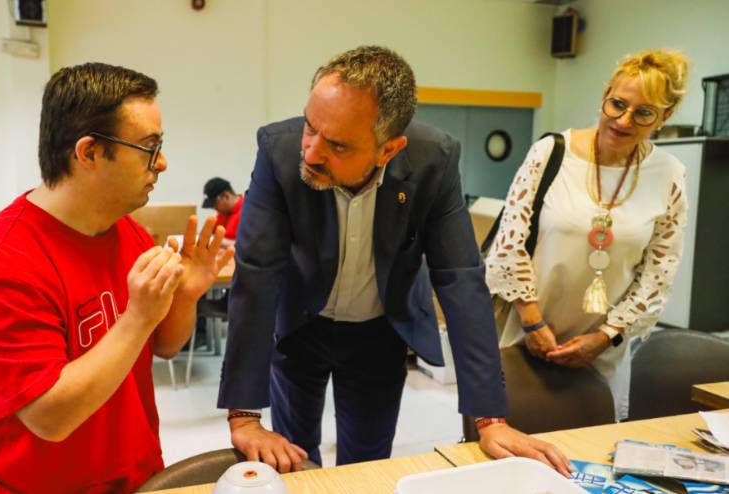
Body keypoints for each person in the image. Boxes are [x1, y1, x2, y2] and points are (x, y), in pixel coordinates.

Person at [217, 45, 570, 475]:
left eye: (337, 145)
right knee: (293, 458)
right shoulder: (278, 150)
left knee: (367, 465)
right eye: (310, 127)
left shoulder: (433, 160)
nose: (310, 153)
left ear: (388, 150)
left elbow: (460, 278)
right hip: (299, 324)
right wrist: (244, 416)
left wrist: (490, 419)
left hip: (379, 330)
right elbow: (257, 273)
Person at [0, 63, 232, 493]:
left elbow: (165, 346)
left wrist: (187, 295)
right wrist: (137, 317)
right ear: (89, 153)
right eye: (149, 148)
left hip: (136, 475)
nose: (162, 163)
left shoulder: (129, 233)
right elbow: (50, 417)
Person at [485, 49, 689, 420]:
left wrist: (604, 336)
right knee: (517, 432)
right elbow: (509, 244)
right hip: (524, 336)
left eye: (643, 112)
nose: (623, 120)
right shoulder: (551, 153)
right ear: (605, 95)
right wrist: (533, 322)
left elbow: (657, 274)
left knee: (590, 443)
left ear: (666, 116)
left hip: (601, 351)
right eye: (618, 104)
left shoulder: (669, 174)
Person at [202, 177, 244, 243]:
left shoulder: (249, 212)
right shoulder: (222, 215)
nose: (214, 208)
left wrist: (218, 242)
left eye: (215, 204)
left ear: (226, 196)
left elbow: (250, 245)